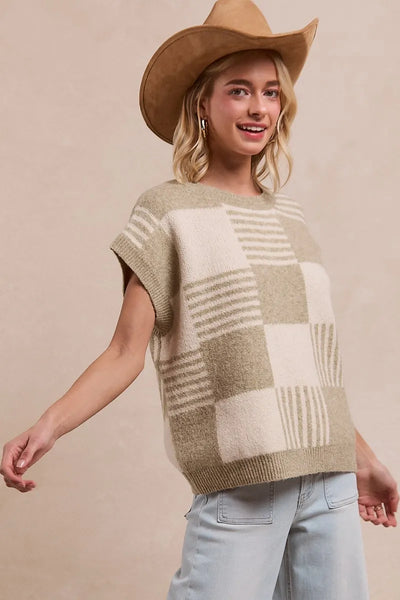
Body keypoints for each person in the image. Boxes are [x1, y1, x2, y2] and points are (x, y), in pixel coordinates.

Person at [1, 0, 398, 598]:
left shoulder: (291, 220)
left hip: (330, 485)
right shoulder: (167, 213)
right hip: (244, 486)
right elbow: (124, 351)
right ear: (202, 104)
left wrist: (362, 459)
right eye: (239, 91)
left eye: (270, 92)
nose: (259, 107)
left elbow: (310, 372)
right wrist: (47, 427)